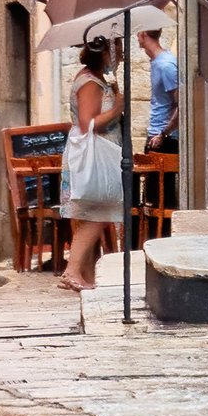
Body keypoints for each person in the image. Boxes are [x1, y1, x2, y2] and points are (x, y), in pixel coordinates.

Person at [58, 32, 126, 292]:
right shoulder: (90, 83)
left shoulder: (97, 80)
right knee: (98, 213)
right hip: (95, 155)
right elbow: (89, 123)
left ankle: (85, 276)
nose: (120, 54)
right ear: (105, 52)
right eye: (116, 47)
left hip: (100, 153)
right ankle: (72, 271)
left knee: (94, 213)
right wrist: (117, 108)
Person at [142, 19, 178, 154]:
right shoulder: (157, 62)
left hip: (164, 138)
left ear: (143, 33)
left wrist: (163, 134)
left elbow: (181, 104)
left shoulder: (166, 65)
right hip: (156, 133)